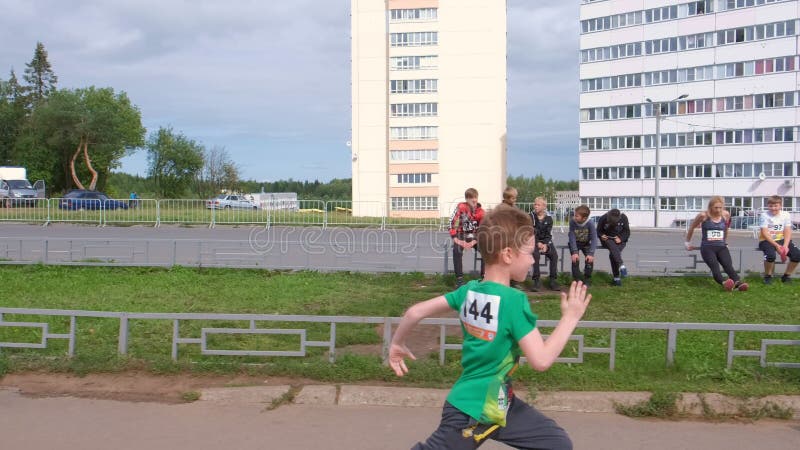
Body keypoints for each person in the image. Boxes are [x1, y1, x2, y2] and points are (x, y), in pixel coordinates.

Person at [389, 205, 591, 450]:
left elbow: (414, 311)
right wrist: (570, 317)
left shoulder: (469, 290)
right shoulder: (513, 301)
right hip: (472, 410)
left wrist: (397, 343)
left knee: (556, 444)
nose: (533, 259)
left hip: (500, 403)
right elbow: (541, 360)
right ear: (507, 254)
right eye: (528, 252)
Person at [685, 196, 748, 291]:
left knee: (728, 266)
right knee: (715, 267)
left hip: (721, 247)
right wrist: (687, 242)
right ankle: (724, 283)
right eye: (716, 208)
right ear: (710, 207)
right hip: (707, 248)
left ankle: (738, 283)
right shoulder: (703, 216)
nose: (718, 210)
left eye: (720, 207)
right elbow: (692, 227)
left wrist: (725, 242)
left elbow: (726, 229)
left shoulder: (726, 214)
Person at [758, 195, 800, 284]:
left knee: (797, 255)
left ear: (780, 205)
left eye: (776, 206)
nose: (773, 208)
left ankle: (786, 276)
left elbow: (787, 230)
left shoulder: (786, 214)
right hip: (766, 241)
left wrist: (785, 245)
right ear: (768, 206)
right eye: (770, 206)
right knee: (770, 256)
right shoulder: (764, 215)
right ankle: (768, 276)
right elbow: (765, 233)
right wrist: (777, 245)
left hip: (782, 239)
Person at [449, 188, 485, 288]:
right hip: (462, 235)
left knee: (486, 249)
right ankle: (459, 280)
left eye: (475, 197)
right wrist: (457, 240)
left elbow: (483, 230)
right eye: (471, 198)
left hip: (474, 236)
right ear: (466, 199)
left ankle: (484, 278)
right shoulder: (461, 207)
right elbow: (451, 223)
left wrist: (473, 241)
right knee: (456, 250)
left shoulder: (481, 212)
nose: (474, 200)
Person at [530, 197, 559, 291]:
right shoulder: (531, 217)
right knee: (536, 255)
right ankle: (536, 280)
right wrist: (537, 242)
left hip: (545, 242)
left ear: (544, 206)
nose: (535, 206)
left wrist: (546, 244)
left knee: (554, 255)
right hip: (533, 241)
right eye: (535, 204)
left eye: (538, 205)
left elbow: (549, 234)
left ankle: (552, 280)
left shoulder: (549, 219)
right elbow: (530, 233)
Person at [597, 208, 630, 286]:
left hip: (619, 240)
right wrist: (601, 235)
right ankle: (621, 265)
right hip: (607, 240)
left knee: (613, 255)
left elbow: (627, 232)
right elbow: (598, 231)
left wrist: (621, 238)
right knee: (611, 245)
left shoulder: (623, 218)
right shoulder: (603, 218)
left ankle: (616, 279)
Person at [568, 205, 598, 287]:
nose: (574, 217)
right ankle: (577, 280)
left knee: (589, 260)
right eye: (574, 215)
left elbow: (594, 238)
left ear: (584, 218)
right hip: (575, 243)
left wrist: (591, 253)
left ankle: (587, 278)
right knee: (575, 259)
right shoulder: (572, 222)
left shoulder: (590, 223)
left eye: (577, 216)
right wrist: (574, 251)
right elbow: (572, 236)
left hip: (586, 243)